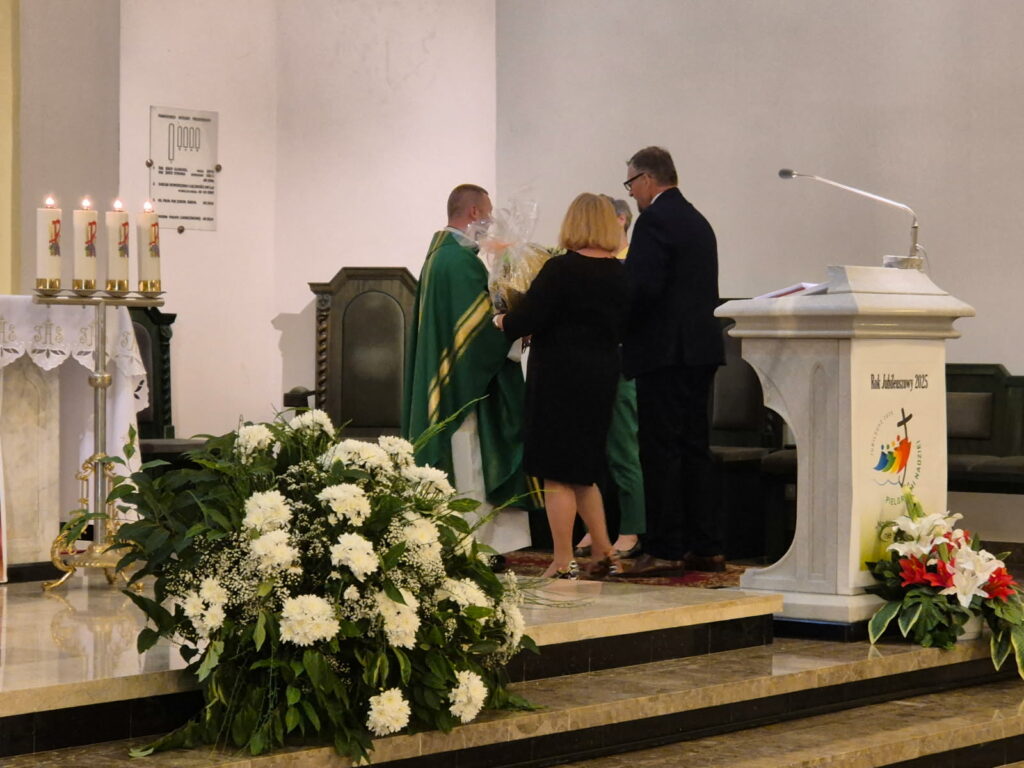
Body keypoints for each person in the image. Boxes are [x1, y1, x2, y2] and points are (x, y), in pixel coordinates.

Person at [494, 194, 632, 578]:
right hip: (602, 376)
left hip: (559, 377)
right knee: (583, 470)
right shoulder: (620, 274)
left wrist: (502, 320)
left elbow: (525, 320)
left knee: (556, 473)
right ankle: (603, 551)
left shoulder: (560, 270)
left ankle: (562, 560)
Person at [402, 183, 531, 554]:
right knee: (470, 460)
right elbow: (477, 332)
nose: (490, 221)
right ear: (474, 212)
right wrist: (514, 325)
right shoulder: (459, 261)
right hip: (464, 389)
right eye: (488, 212)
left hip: (450, 379)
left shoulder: (441, 256)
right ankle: (474, 545)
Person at [618, 147, 726, 576]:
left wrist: (617, 322)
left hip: (664, 354)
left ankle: (665, 548)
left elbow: (642, 288)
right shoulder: (697, 220)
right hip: (699, 351)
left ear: (647, 178)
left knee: (660, 450)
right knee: (694, 448)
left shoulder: (654, 220)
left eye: (631, 183)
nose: (631, 193)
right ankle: (707, 545)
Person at [575, 196, 645, 559]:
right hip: (590, 362)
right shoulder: (592, 263)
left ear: (620, 221)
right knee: (591, 449)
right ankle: (595, 527)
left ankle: (631, 528)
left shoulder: (632, 262)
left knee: (621, 448)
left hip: (619, 362)